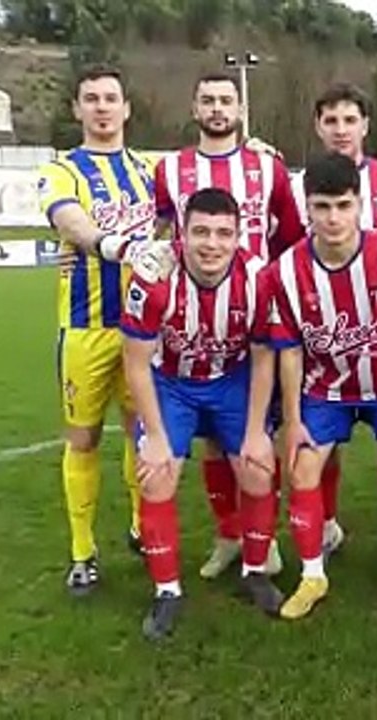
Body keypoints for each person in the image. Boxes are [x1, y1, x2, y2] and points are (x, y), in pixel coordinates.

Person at [244, 152, 377, 622]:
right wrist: (294, 420)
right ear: (307, 208)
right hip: (324, 392)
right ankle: (312, 575)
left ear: (360, 206)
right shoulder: (284, 272)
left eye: (343, 205)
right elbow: (290, 352)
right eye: (322, 206)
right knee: (302, 470)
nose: (333, 218)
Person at [151, 72, 305, 580]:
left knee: (258, 439)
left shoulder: (268, 166)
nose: (218, 109)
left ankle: (262, 542)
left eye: (226, 100)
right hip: (194, 321)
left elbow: (291, 233)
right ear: (194, 108)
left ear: (240, 108)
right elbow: (159, 233)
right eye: (208, 100)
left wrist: (273, 287)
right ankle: (229, 534)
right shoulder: (170, 169)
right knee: (215, 443)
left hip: (253, 320)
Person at [120, 187, 281, 639]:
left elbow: (264, 357)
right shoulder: (153, 278)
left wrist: (255, 432)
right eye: (201, 232)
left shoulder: (258, 278)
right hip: (171, 384)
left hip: (232, 381)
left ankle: (255, 571)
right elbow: (135, 363)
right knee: (157, 474)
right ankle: (167, 590)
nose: (212, 244)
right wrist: (153, 437)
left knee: (257, 467)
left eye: (223, 233)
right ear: (182, 234)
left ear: (237, 236)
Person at [37, 65, 158, 596]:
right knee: (83, 438)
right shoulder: (62, 170)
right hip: (85, 329)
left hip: (141, 327)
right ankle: (82, 551)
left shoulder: (150, 170)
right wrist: (112, 245)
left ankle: (140, 526)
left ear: (127, 108)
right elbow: (69, 221)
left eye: (111, 98)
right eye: (92, 99)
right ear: (77, 109)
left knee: (141, 431)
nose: (102, 107)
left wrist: (260, 150)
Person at [289, 83, 377, 566]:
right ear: (318, 127)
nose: (341, 130)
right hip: (324, 338)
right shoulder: (301, 184)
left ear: (365, 125)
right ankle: (324, 526)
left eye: (350, 120)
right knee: (323, 442)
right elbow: (289, 244)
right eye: (331, 121)